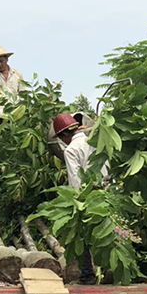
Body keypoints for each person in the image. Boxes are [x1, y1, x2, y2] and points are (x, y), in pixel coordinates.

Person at [53, 113, 105, 284]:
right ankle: (111, 271)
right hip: (107, 191)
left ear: (64, 136)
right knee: (108, 232)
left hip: (88, 195)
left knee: (81, 234)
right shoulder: (95, 140)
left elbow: (76, 180)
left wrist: (76, 202)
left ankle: (88, 275)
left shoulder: (71, 150)